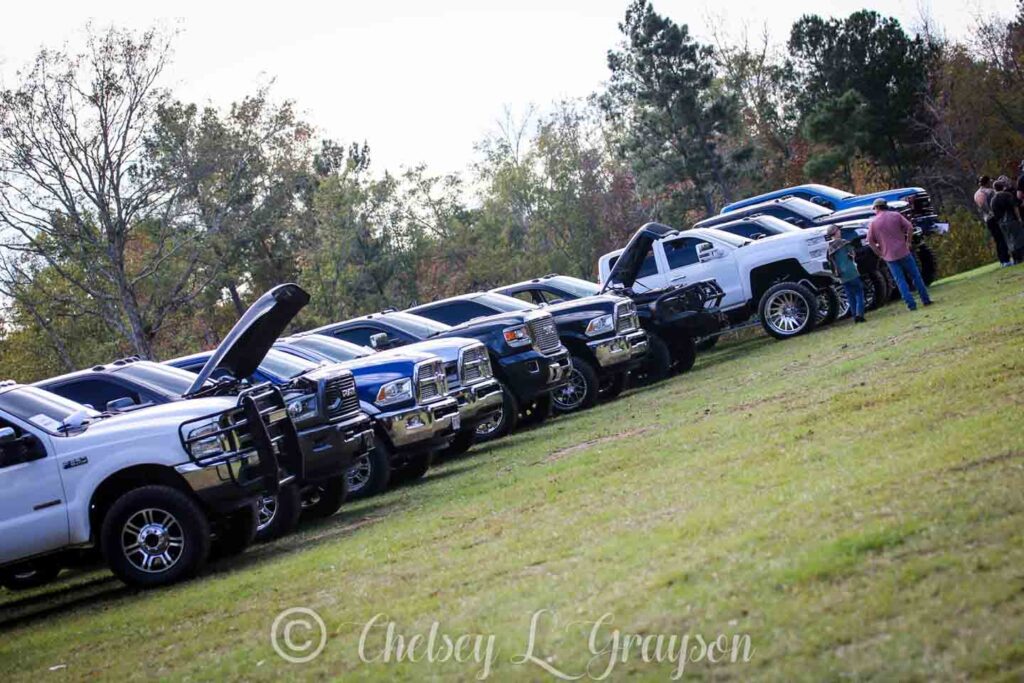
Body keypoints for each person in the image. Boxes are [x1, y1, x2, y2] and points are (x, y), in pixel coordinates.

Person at [866, 198, 932, 311]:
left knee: (900, 280)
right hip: (904, 251)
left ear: (876, 208)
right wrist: (908, 242)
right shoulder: (895, 215)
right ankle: (925, 299)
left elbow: (870, 241)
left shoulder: (873, 223)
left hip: (889, 256)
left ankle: (911, 304)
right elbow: (910, 227)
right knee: (916, 276)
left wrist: (879, 253)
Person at [826, 225, 866, 323]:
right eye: (839, 230)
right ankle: (859, 314)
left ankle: (854, 315)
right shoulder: (844, 243)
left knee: (850, 296)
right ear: (836, 232)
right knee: (859, 293)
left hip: (841, 275)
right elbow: (852, 254)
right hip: (851, 271)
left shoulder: (829, 249)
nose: (840, 231)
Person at [976, 175, 1011, 266]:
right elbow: (996, 203)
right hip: (995, 217)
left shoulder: (976, 194)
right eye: (989, 182)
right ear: (987, 182)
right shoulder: (990, 192)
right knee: (1002, 239)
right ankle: (1006, 259)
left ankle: (1002, 260)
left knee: (997, 239)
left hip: (987, 218)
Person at [992, 179, 1024, 264]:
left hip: (1002, 223)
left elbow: (994, 213)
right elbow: (1015, 207)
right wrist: (1019, 218)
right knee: (1018, 238)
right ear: (1002, 187)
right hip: (1011, 219)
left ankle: (1015, 258)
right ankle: (1020, 257)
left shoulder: (993, 200)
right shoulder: (1007, 195)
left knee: (1009, 240)